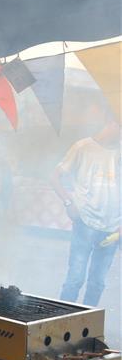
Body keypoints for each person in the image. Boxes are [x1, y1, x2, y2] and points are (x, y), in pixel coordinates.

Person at [51, 113, 120, 306]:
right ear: (111, 122)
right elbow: (55, 176)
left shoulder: (120, 152)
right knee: (75, 279)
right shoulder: (83, 147)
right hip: (86, 224)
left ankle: (87, 323)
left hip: (112, 228)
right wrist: (68, 203)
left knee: (97, 283)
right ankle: (61, 320)